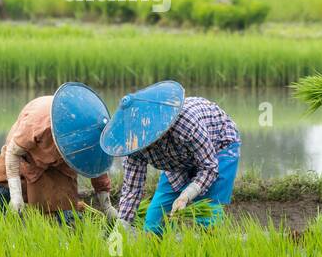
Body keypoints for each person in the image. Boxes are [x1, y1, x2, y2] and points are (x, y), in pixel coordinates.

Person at [101, 80, 240, 236]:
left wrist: (186, 196)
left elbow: (209, 167)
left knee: (206, 220)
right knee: (154, 225)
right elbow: (133, 189)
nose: (144, 144)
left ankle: (209, 253)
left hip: (218, 147)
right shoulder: (133, 145)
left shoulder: (185, 124)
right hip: (178, 161)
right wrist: (121, 228)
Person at [0, 82, 117, 225]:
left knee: (66, 218)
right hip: (24, 159)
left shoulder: (92, 132)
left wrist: (107, 206)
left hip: (60, 168)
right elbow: (13, 153)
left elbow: (97, 166)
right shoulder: (38, 124)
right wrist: (16, 195)